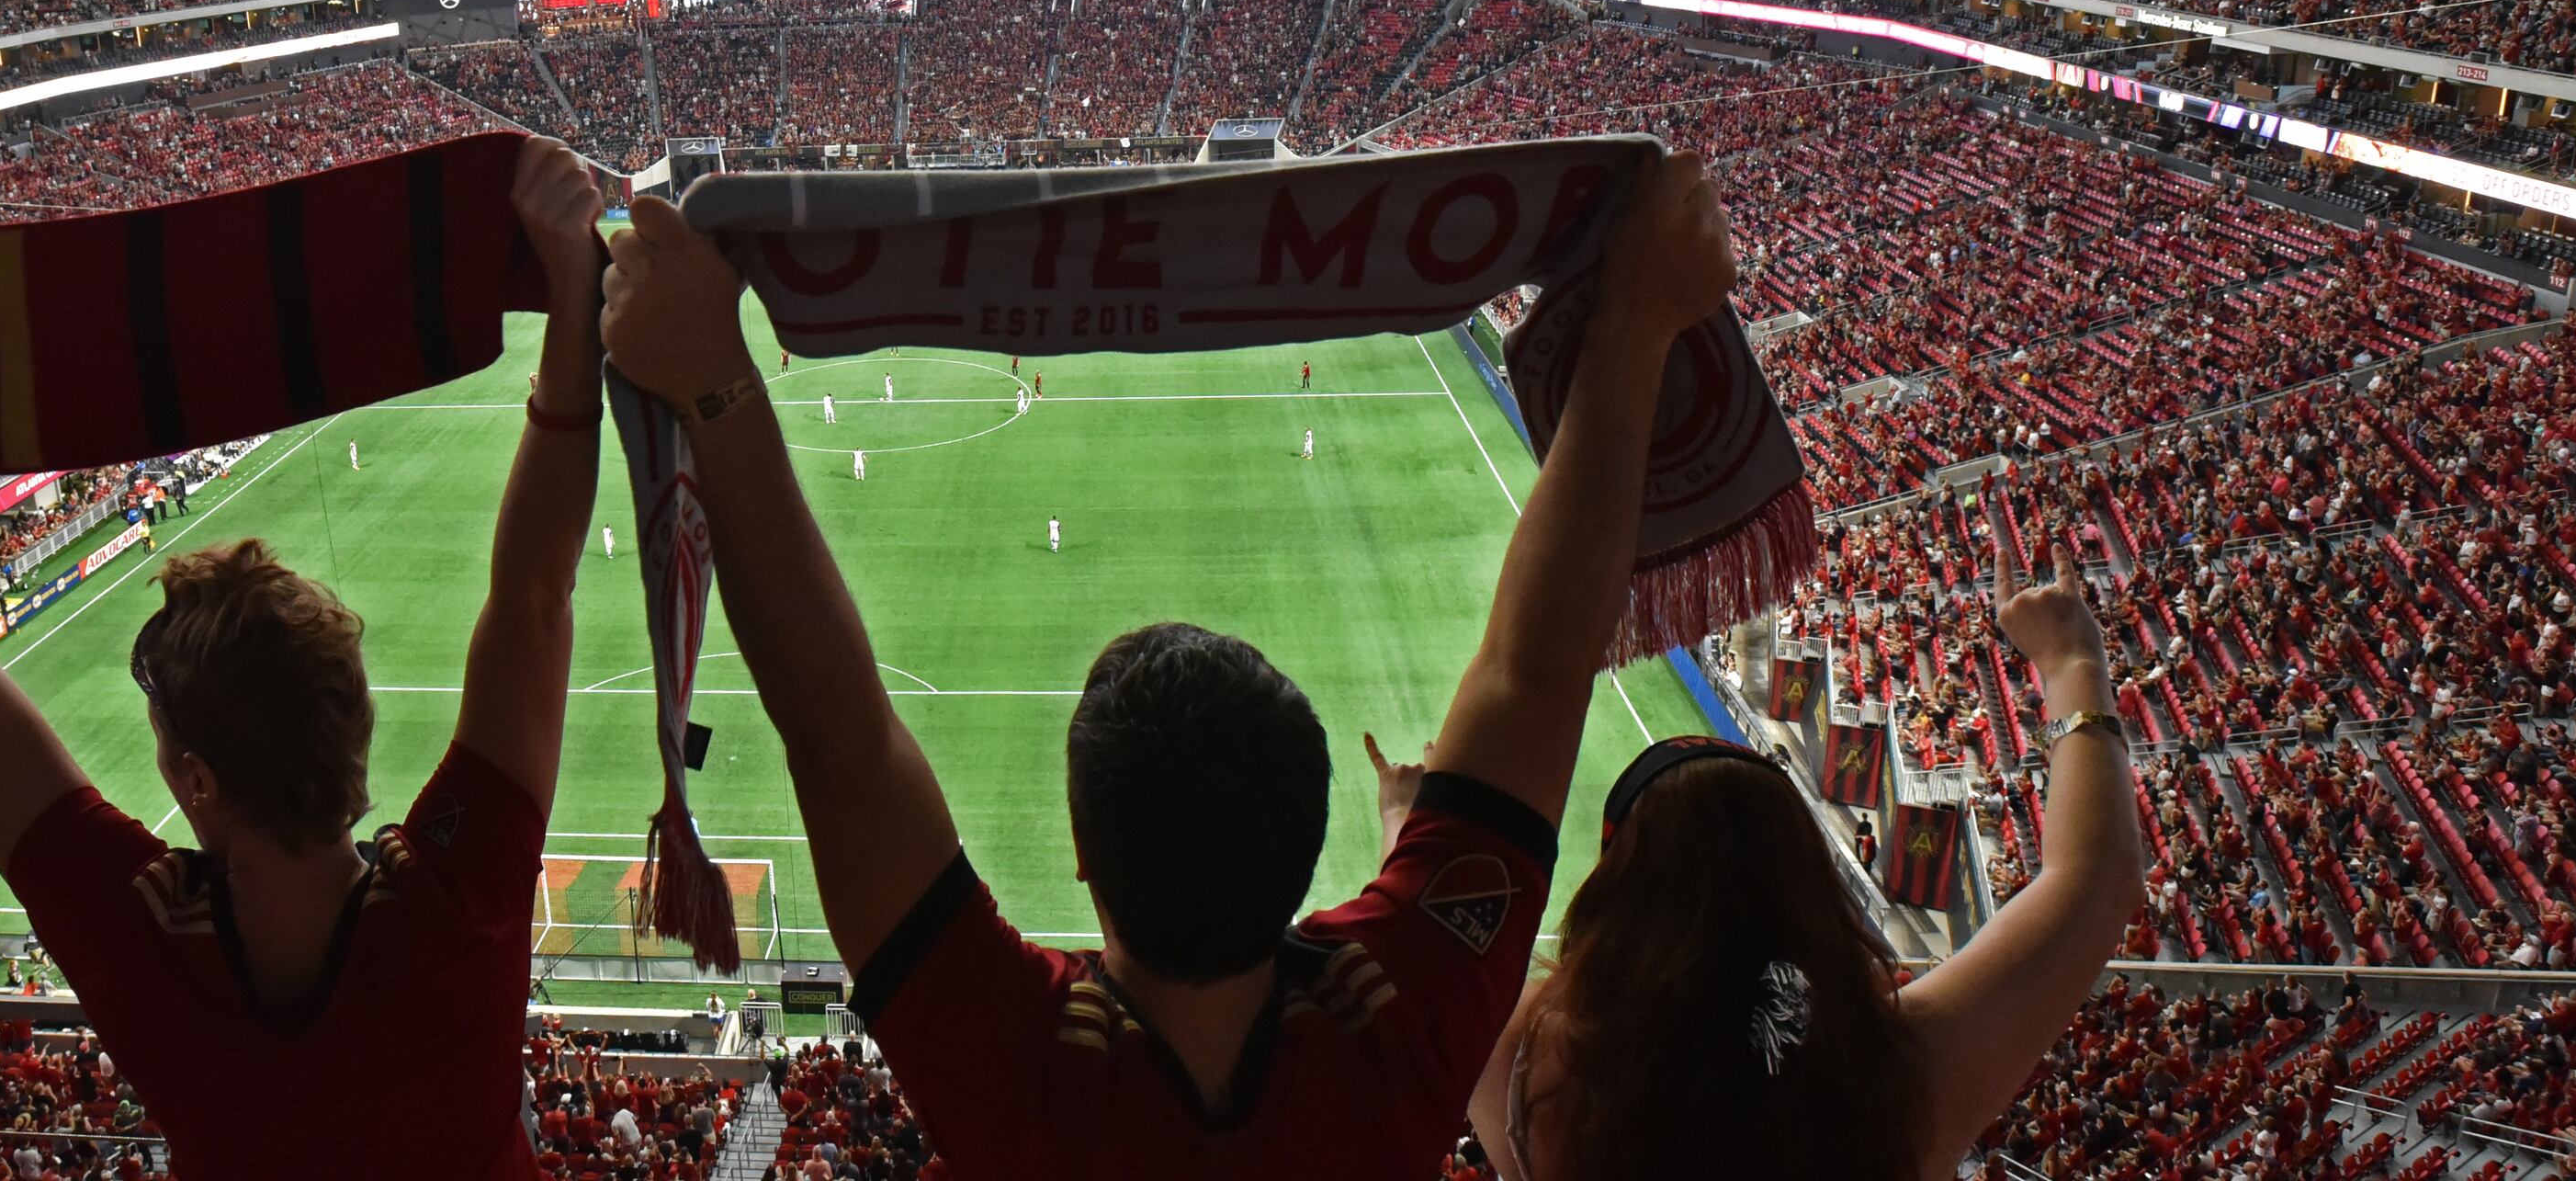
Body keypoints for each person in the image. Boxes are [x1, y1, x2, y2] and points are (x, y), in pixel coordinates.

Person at [599, 152, 1737, 1174]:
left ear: (1083, 853)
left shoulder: (1025, 1078)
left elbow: (842, 746)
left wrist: (711, 380)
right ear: (1307, 858)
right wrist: (1634, 328)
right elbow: (1534, 678)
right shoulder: (1393, 1027)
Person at [0, 137, 614, 1179]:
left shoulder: (142, 944)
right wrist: (575, 285)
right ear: (355, 725)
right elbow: (536, 592)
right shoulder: (456, 910)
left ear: (195, 778)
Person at [1470, 533, 2146, 1180]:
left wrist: (1402, 823)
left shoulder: (1521, 1066)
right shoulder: (1894, 1084)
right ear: (1804, 880)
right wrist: (2074, 664)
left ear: (1619, 888)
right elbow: (2095, 880)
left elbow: (1430, 962)